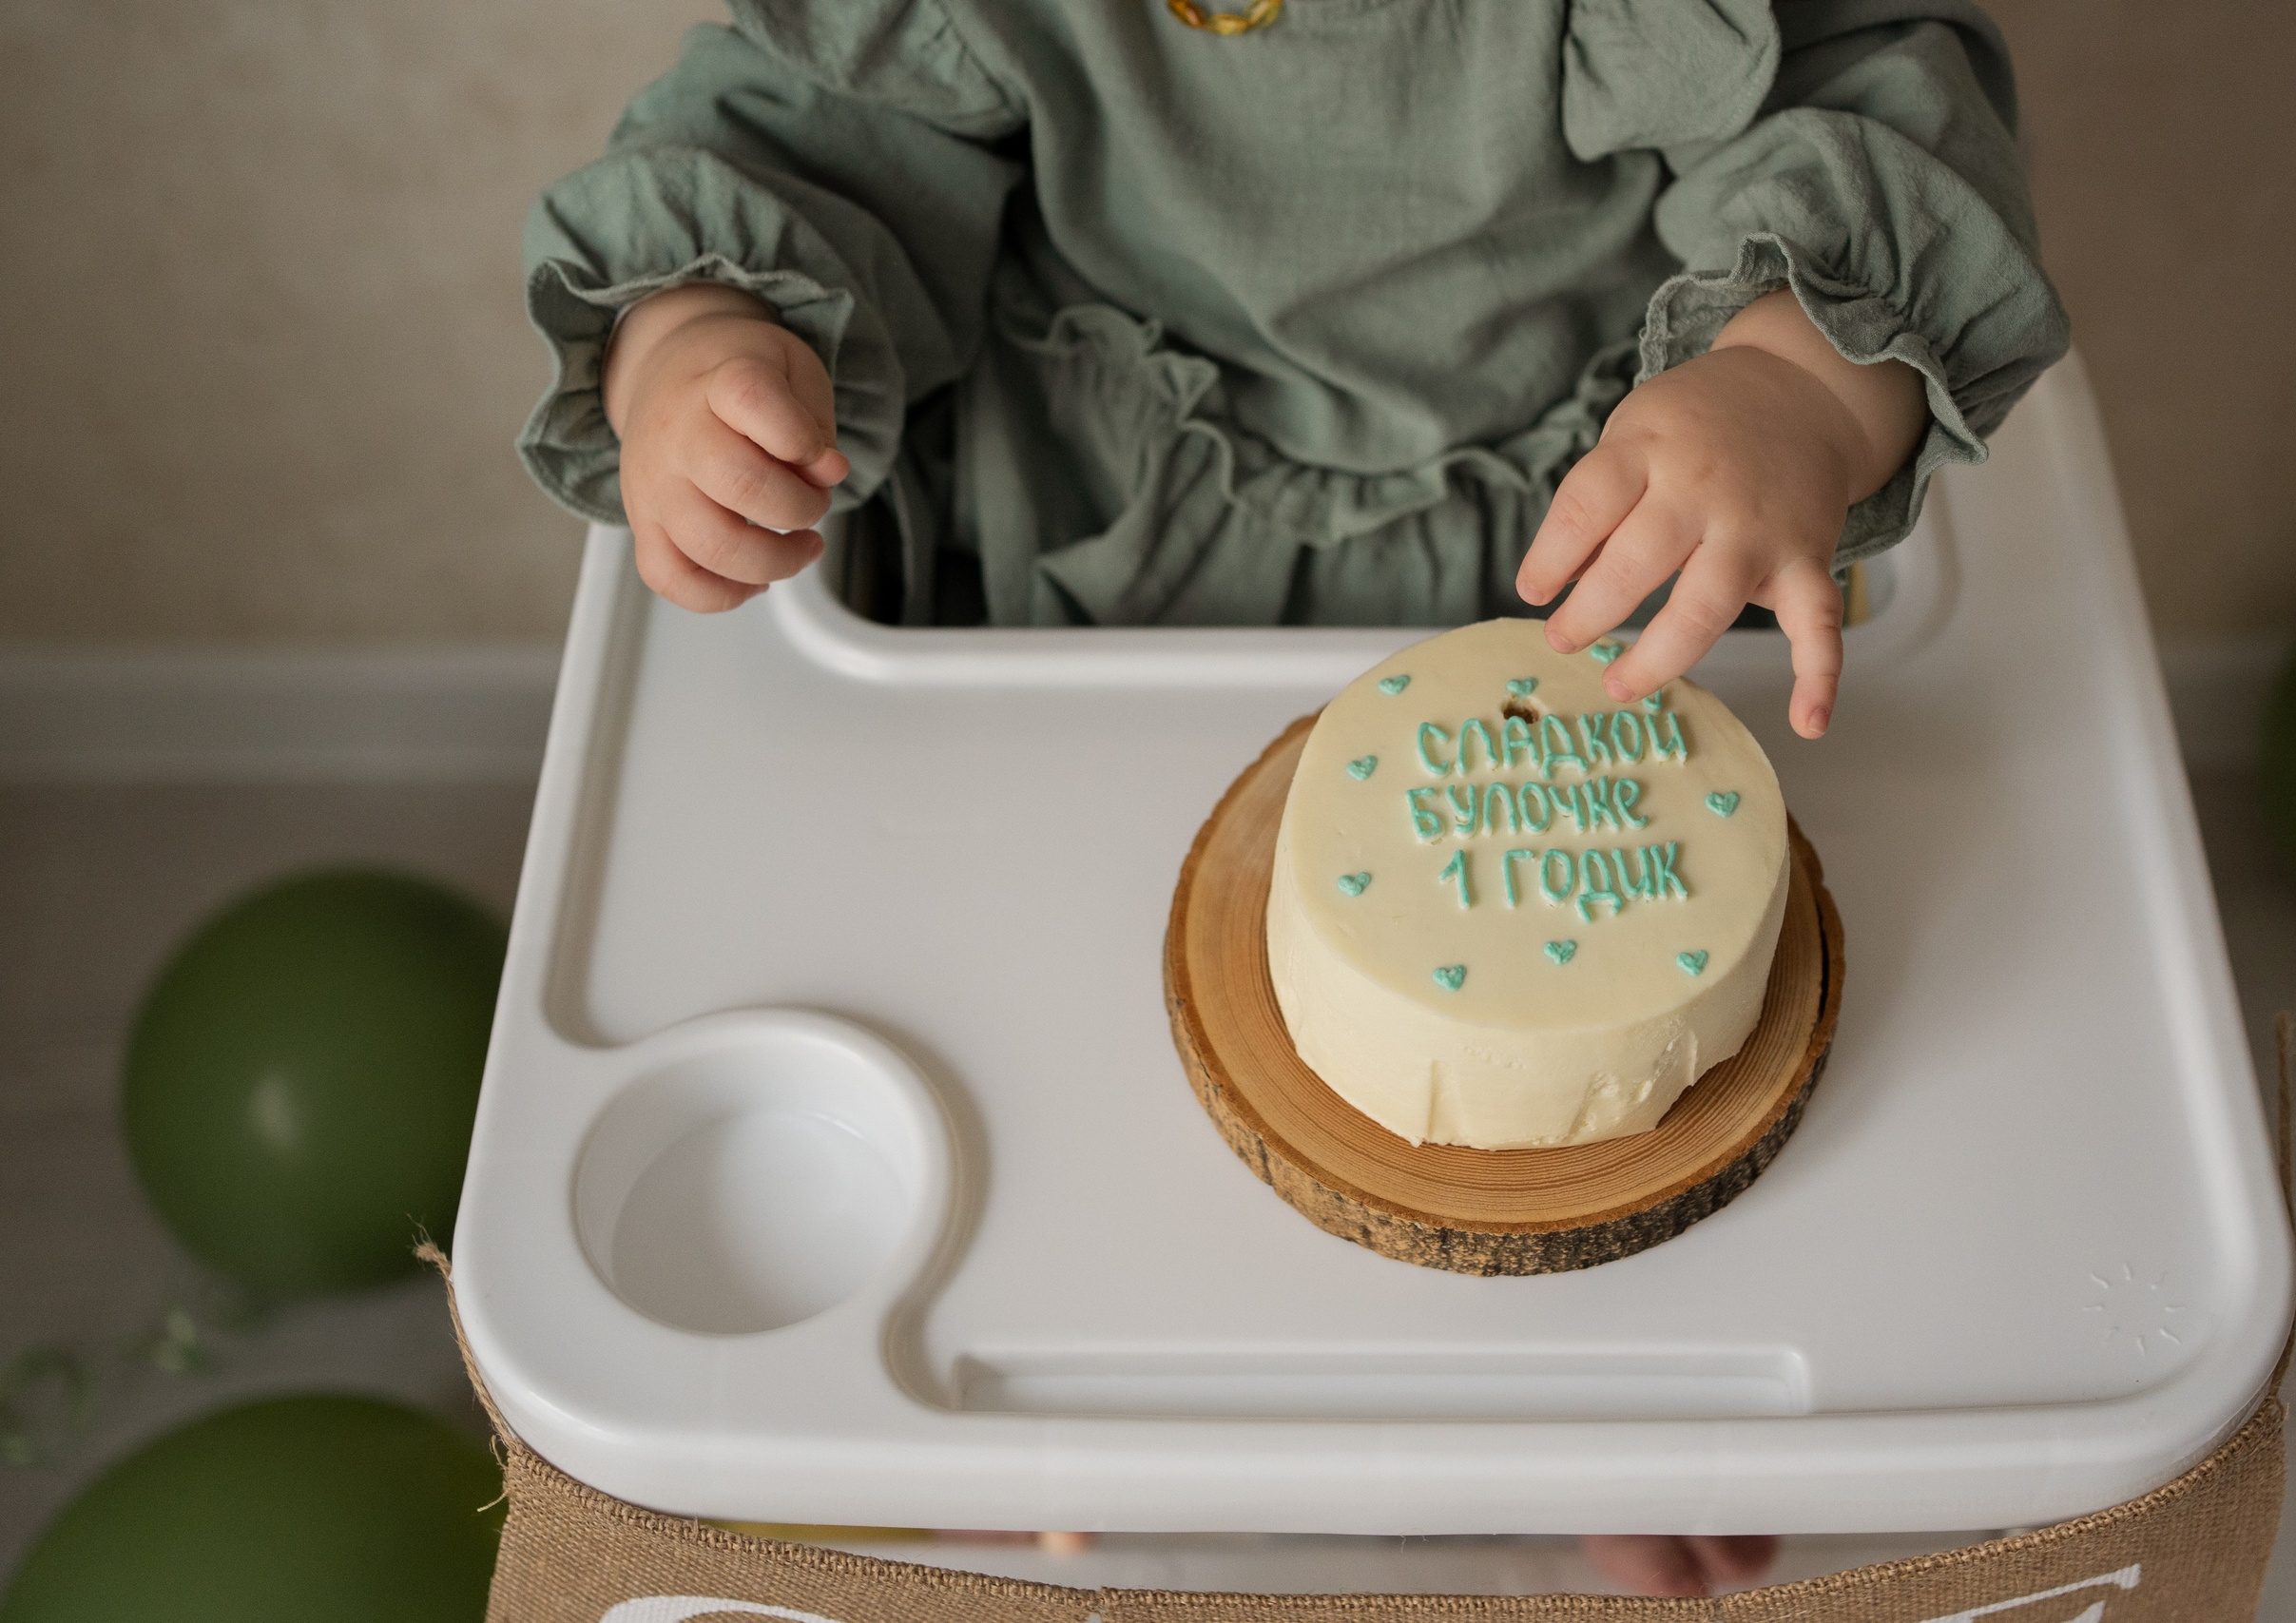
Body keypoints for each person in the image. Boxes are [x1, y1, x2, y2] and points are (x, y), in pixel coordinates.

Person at [518, 0, 2066, 1594]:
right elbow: (798, 132)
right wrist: (697, 352)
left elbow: (1867, 118)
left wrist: (1798, 395)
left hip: (1567, 581)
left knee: (1570, 1113)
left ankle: (1589, 1403)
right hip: (1096, 584)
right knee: (1050, 1061)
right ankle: (1062, 1395)